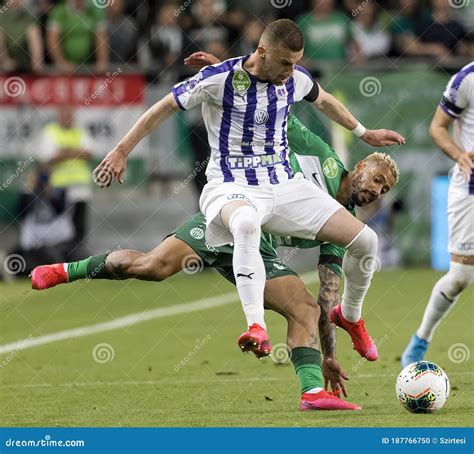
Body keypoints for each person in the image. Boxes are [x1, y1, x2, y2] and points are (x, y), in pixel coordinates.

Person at [91, 19, 404, 368]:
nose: (291, 71)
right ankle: (255, 325)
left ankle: (350, 316)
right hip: (234, 186)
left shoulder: (293, 80)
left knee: (367, 242)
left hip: (283, 187)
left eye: (296, 62)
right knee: (239, 229)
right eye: (285, 62)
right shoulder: (220, 79)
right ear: (262, 51)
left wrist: (364, 132)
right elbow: (161, 107)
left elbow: (324, 100)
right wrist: (121, 150)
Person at [31, 115, 399, 411]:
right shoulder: (319, 154)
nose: (375, 191)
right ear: (362, 164)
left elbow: (328, 293)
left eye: (383, 191)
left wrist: (330, 354)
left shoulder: (343, 224)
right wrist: (228, 79)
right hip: (232, 211)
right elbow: (275, 114)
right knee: (151, 267)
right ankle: (65, 270)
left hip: (261, 250)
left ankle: (313, 393)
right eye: (377, 179)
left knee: (305, 307)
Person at [401, 62, 474, 367]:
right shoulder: (466, 79)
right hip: (470, 188)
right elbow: (437, 127)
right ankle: (420, 339)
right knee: (459, 277)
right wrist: (460, 155)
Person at [37, 106, 93, 260]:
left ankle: (77, 260)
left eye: (70, 115)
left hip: (80, 189)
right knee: (60, 227)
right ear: (58, 116)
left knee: (79, 227)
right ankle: (60, 259)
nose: (68, 118)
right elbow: (48, 158)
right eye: (64, 115)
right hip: (59, 189)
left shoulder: (80, 131)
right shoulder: (50, 131)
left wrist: (63, 152)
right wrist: (75, 152)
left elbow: (88, 153)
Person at [47, 0, 109, 73]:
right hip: (65, 68)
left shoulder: (95, 11)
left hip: (89, 66)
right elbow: (52, 39)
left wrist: (102, 61)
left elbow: (101, 38)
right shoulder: (59, 11)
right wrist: (61, 62)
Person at [0, 0, 44, 73]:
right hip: (4, 68)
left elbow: (36, 44)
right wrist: (4, 60)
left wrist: (37, 63)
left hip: (24, 67)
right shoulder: (1, 15)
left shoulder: (28, 16)